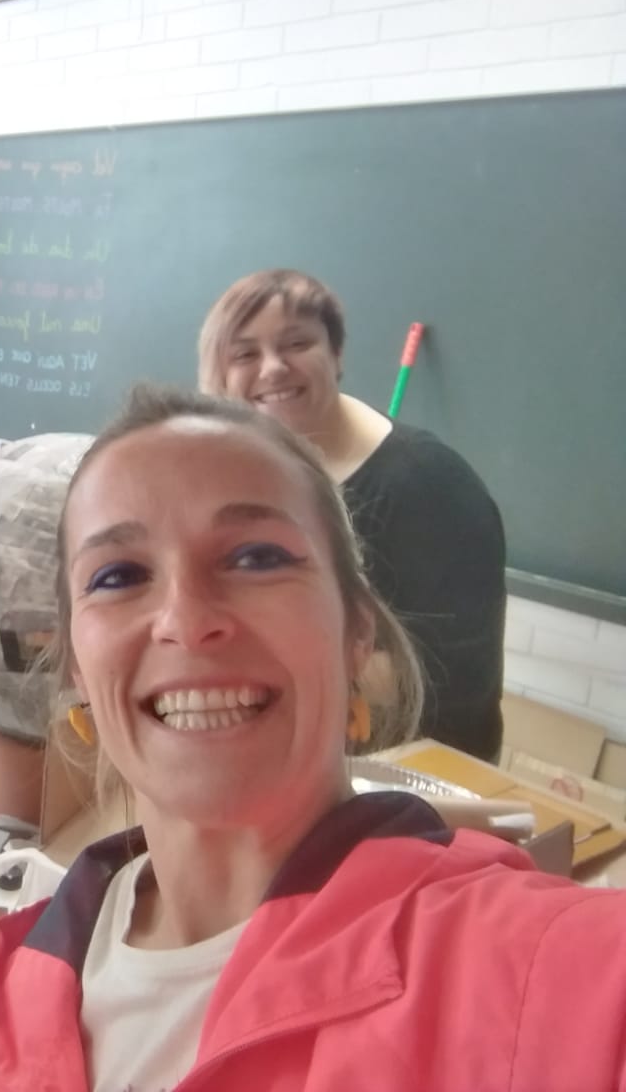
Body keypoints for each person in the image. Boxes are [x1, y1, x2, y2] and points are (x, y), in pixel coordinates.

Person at [0, 386, 626, 1091]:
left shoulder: (530, 969)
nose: (186, 620)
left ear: (356, 631)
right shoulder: (12, 988)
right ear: (77, 667)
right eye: (118, 575)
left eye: (256, 558)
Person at [199, 270, 506, 760]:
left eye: (297, 343)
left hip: (412, 772)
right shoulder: (245, 478)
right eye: (245, 354)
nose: (273, 368)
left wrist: (254, 663)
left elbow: (446, 678)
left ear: (337, 355)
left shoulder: (429, 485)